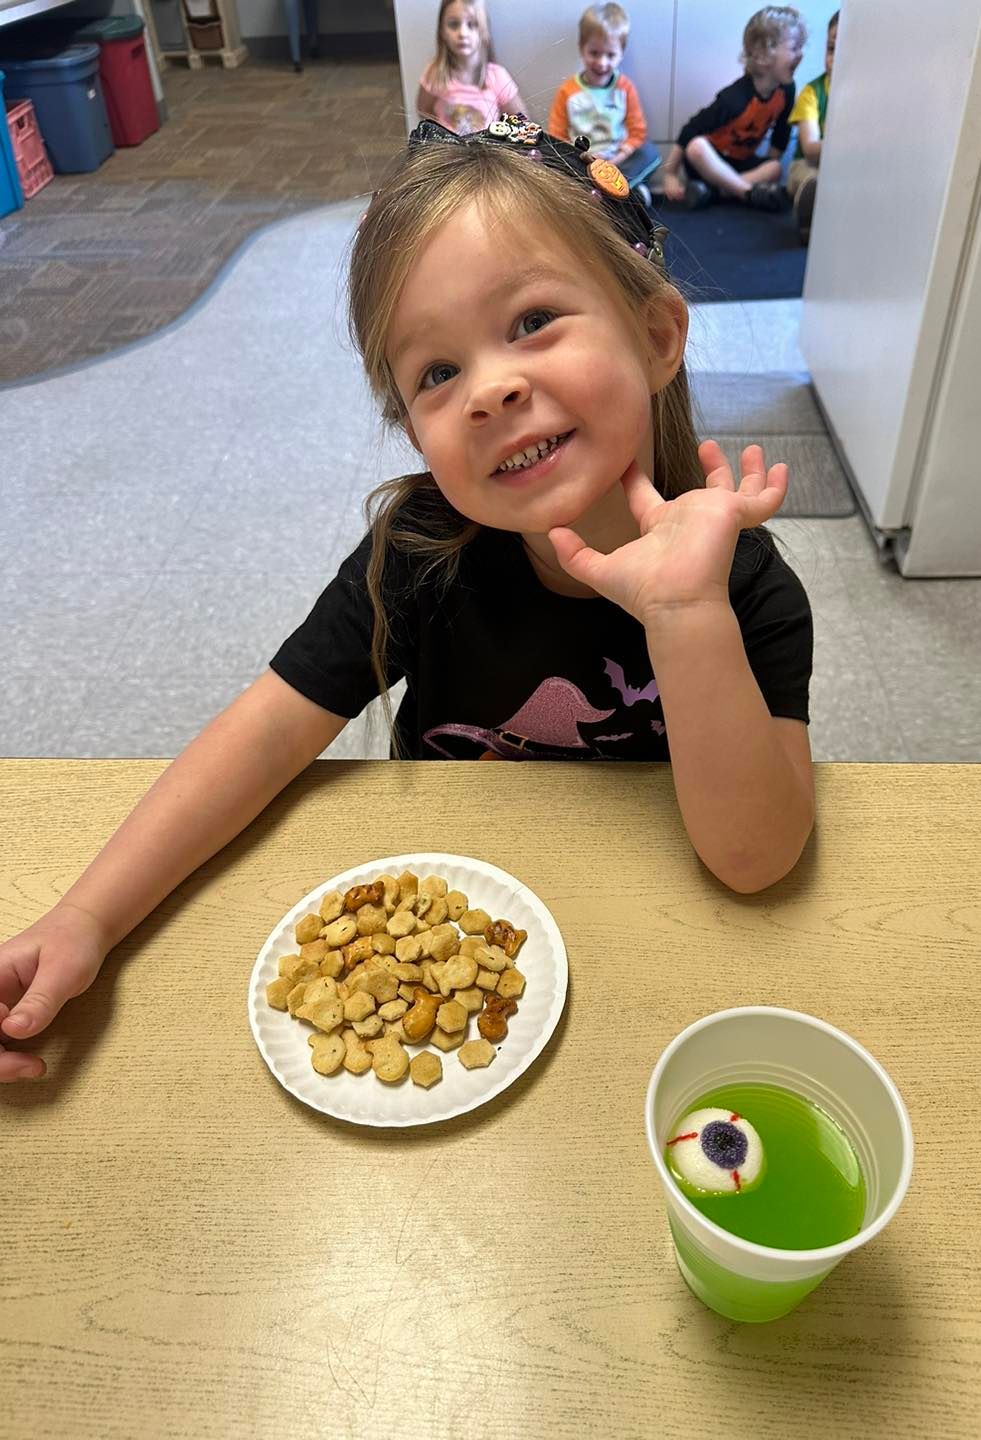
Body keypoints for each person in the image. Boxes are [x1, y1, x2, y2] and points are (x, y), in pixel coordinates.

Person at [0, 117, 815, 1084]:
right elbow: (266, 734)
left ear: (655, 334)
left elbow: (758, 860)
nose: (490, 389)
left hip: (656, 965)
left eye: (531, 322)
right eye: (437, 372)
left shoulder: (753, 593)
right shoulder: (421, 553)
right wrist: (87, 917)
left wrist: (688, 616)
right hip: (449, 929)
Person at [660, 5, 807, 212]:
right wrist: (670, 174)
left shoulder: (786, 90)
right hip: (708, 163)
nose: (801, 55)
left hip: (741, 164)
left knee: (775, 168)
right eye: (794, 48)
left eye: (802, 47)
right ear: (763, 55)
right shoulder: (735, 97)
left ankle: (714, 192)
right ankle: (747, 193)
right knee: (697, 147)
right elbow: (690, 130)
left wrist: (768, 166)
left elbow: (781, 133)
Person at [547, 3, 661, 205]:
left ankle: (605, 195)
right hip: (582, 161)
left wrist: (614, 160)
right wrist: (583, 157)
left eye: (610, 55)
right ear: (582, 48)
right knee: (553, 163)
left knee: (650, 153)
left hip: (617, 160)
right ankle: (623, 195)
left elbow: (637, 132)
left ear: (621, 54)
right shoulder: (568, 91)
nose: (601, 62)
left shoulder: (625, 88)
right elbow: (557, 135)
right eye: (594, 53)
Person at [416, 0, 526, 136]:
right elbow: (423, 109)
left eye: (472, 24)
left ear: (484, 31)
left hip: (486, 153)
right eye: (453, 24)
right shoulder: (434, 73)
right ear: (442, 31)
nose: (462, 33)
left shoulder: (497, 76)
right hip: (447, 153)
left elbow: (521, 120)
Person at [786, 9, 837, 243]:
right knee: (810, 178)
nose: (833, 58)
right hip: (808, 165)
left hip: (846, 170)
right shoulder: (812, 92)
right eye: (831, 49)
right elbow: (810, 149)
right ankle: (807, 219)